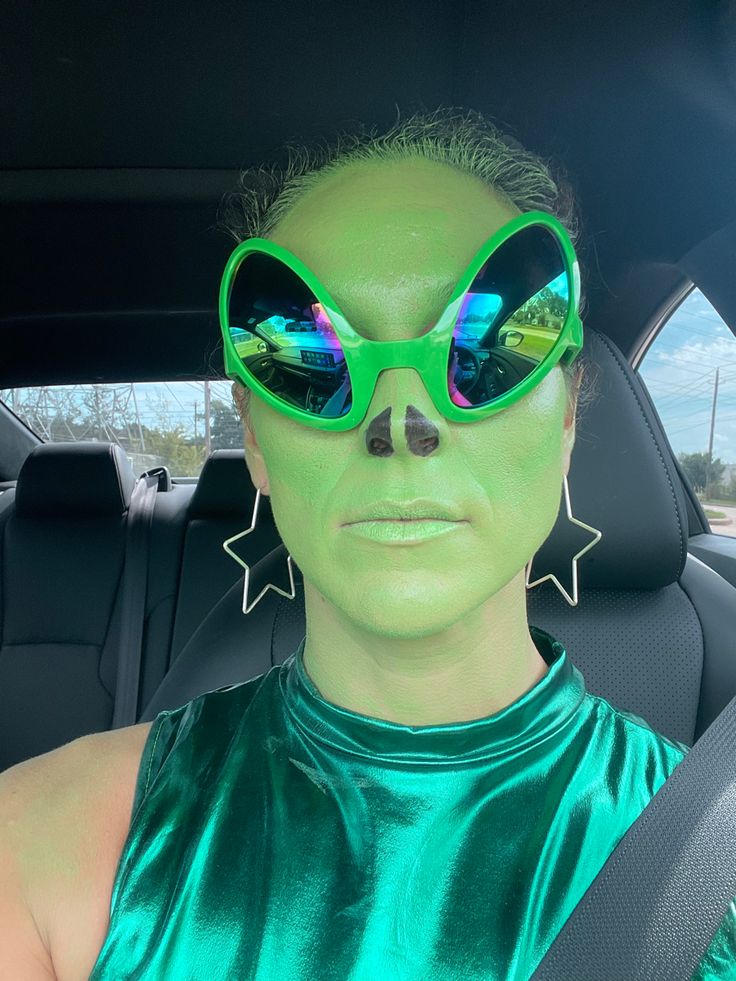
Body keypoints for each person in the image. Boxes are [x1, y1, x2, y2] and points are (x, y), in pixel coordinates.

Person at [2, 108, 734, 980]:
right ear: (259, 441)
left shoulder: (711, 866)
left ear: (569, 414)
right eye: (309, 358)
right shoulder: (45, 843)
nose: (401, 421)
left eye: (490, 345)